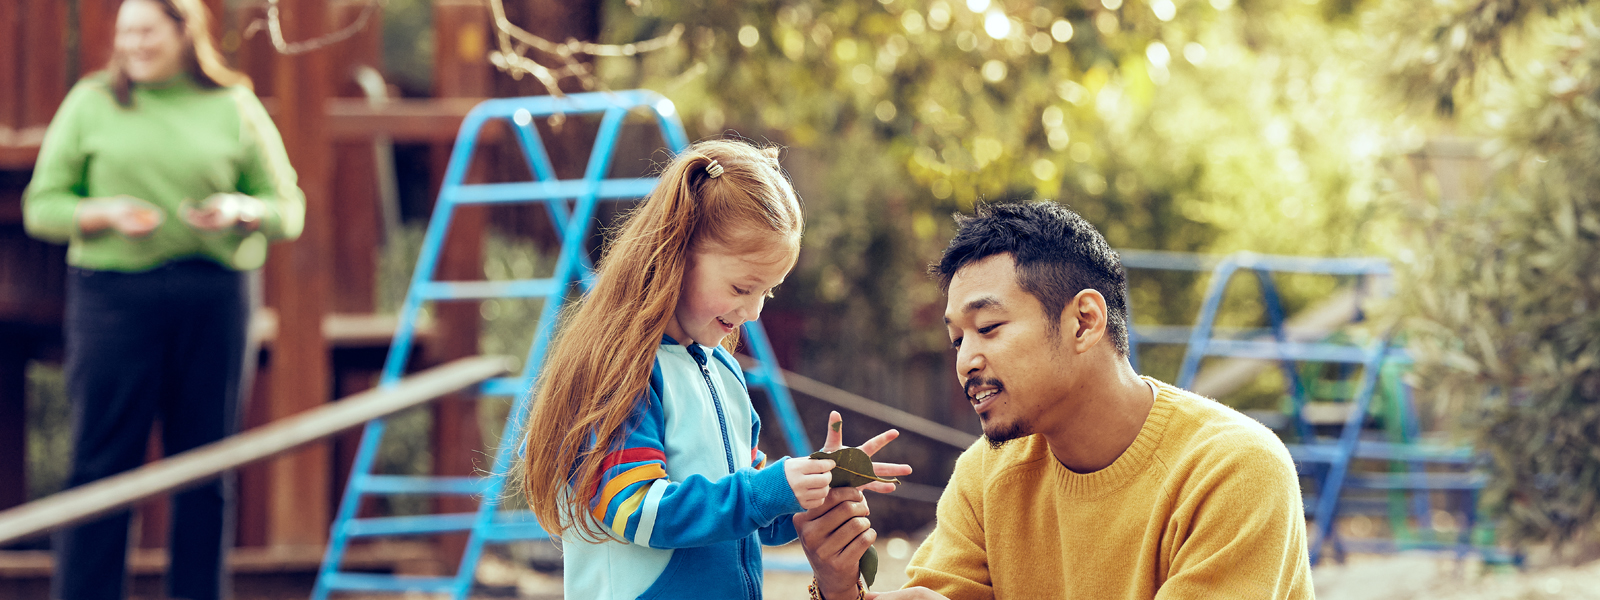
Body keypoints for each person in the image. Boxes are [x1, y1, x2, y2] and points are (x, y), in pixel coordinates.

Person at [796, 201, 1313, 600]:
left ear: (1084, 321)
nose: (965, 361)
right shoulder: (985, 475)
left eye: (989, 327)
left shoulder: (1235, 470)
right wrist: (842, 588)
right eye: (957, 339)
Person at [519, 139, 910, 600]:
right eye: (743, 286)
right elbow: (636, 510)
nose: (754, 311)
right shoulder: (622, 374)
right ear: (677, 252)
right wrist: (766, 492)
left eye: (768, 291)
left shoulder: (725, 372)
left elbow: (746, 513)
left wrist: (812, 486)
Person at [22, 0, 304, 598]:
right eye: (125, 33)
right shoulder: (92, 102)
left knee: (204, 467)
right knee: (101, 463)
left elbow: (289, 209)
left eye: (147, 30)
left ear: (185, 31)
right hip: (113, 299)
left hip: (215, 296)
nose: (134, 44)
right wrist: (101, 213)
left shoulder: (234, 105)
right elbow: (42, 207)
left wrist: (241, 210)